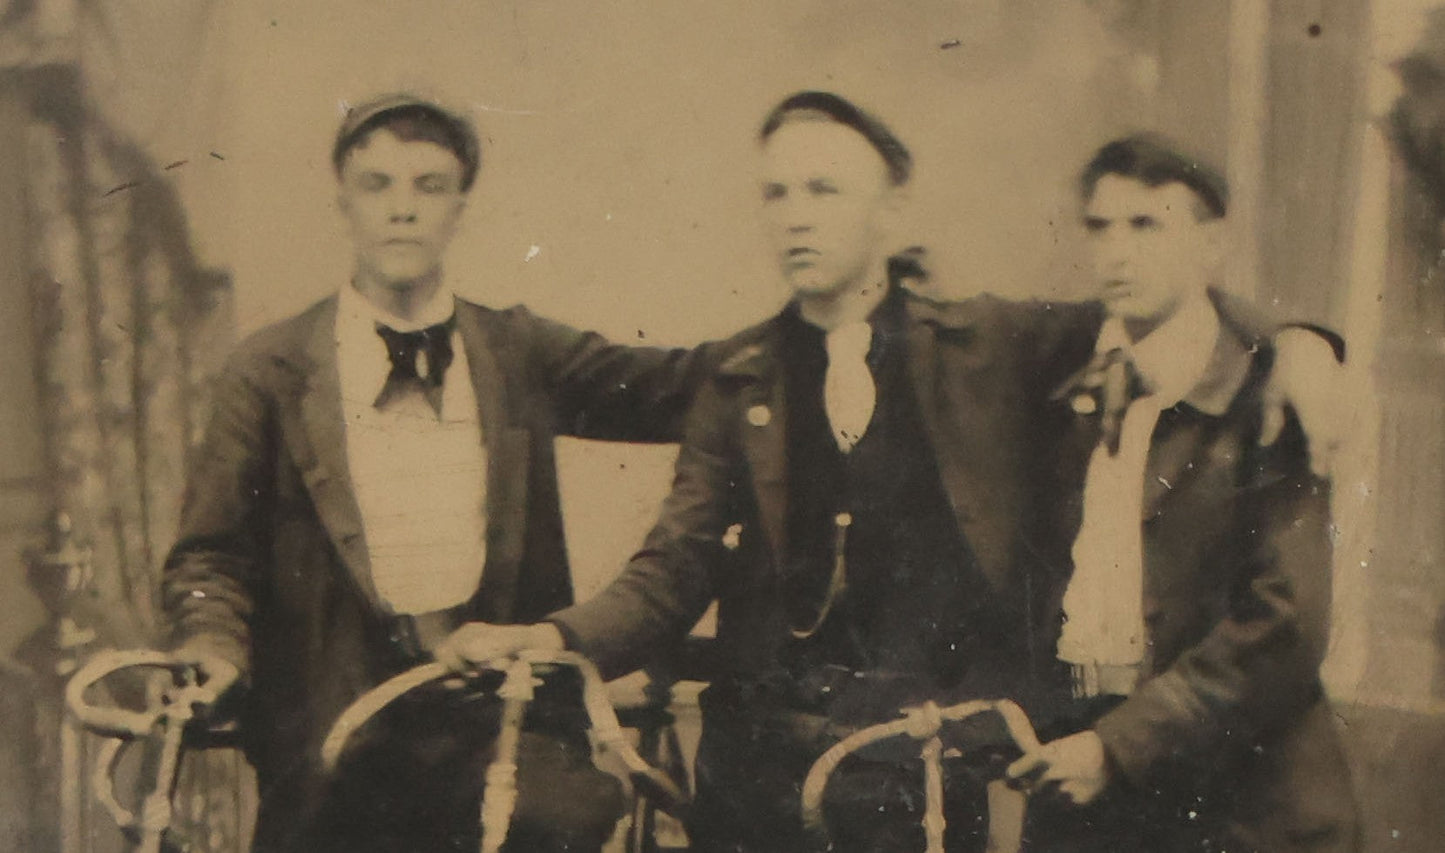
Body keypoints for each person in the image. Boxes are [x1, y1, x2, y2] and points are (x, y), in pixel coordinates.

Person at [438, 97, 1348, 852]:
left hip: (915, 776)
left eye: (825, 190)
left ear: (892, 211)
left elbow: (1162, 304)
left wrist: (1302, 344)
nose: (796, 215)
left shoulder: (989, 346)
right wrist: (555, 638)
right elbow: (670, 567)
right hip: (753, 775)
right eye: (777, 192)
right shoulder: (744, 374)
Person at [160, 93, 714, 853]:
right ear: (343, 205)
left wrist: (807, 329)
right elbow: (210, 556)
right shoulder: (270, 370)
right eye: (377, 185)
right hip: (335, 746)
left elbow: (680, 387)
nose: (402, 211)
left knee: (556, 816)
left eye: (429, 186)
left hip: (500, 732)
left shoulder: (517, 352)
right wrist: (212, 646)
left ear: (460, 207)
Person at [1006, 135, 1360, 852]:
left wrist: (1115, 746)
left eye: (1146, 226)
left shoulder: (1268, 392)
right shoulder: (1064, 372)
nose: (1116, 253)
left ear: (1211, 245)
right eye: (1100, 227)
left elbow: (1286, 622)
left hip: (1244, 806)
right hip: (1091, 789)